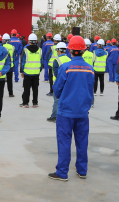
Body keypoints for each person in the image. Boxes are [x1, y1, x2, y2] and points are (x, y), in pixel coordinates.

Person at [48, 36, 94, 181]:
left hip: (66, 111)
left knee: (64, 141)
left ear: (71, 51)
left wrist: (64, 97)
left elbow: (57, 88)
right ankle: (82, 170)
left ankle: (62, 172)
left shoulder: (66, 67)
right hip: (82, 111)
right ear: (83, 51)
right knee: (82, 141)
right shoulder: (90, 68)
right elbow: (90, 89)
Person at [47, 42, 71, 123]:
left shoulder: (56, 60)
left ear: (58, 50)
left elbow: (56, 74)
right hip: (67, 84)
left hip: (58, 84)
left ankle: (54, 116)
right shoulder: (69, 60)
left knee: (57, 101)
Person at [20, 34, 43, 108]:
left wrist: (22, 71)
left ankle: (25, 103)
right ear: (36, 41)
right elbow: (41, 62)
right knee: (35, 89)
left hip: (27, 73)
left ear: (29, 41)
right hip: (36, 73)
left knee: (26, 88)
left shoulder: (25, 50)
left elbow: (23, 61)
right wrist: (39, 71)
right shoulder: (40, 50)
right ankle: (35, 103)